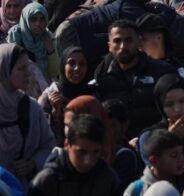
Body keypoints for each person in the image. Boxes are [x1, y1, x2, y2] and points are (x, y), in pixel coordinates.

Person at [94, 20, 177, 138]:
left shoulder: (162, 72)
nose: (123, 46)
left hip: (156, 143)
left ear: (139, 42)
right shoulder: (102, 76)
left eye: (128, 40)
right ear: (109, 46)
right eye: (117, 41)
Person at [0, 43, 55, 183]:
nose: (28, 73)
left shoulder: (31, 107)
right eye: (21, 68)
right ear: (4, 70)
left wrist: (33, 163)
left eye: (28, 67)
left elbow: (49, 145)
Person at [29, 113, 120, 196]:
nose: (88, 161)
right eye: (82, 152)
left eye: (96, 152)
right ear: (67, 145)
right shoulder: (47, 181)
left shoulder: (108, 179)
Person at [138, 74, 184, 165]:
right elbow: (155, 170)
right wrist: (170, 141)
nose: (177, 109)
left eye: (182, 101)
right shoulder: (148, 137)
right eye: (169, 104)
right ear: (161, 106)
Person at [38, 46, 95, 141]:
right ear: (63, 66)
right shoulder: (49, 98)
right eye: (71, 63)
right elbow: (46, 140)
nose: (77, 68)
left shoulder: (94, 95)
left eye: (82, 64)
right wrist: (56, 114)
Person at [128, 129, 184, 194]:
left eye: (181, 153)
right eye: (174, 155)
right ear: (154, 161)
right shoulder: (137, 190)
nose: (181, 159)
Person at [7, 2, 57, 80]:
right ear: (26, 19)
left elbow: (55, 71)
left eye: (42, 19)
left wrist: (50, 50)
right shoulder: (16, 34)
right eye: (33, 19)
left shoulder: (48, 36)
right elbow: (10, 66)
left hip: (42, 85)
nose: (38, 23)